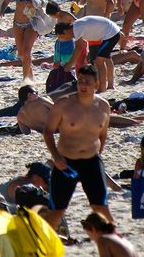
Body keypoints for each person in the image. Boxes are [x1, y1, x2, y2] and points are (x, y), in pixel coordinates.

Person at [42, 65, 112, 228]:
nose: (83, 85)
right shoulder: (63, 104)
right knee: (57, 210)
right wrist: (56, 156)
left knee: (99, 206)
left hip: (91, 161)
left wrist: (98, 154)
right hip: (66, 163)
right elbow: (48, 131)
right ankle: (40, 242)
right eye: (80, 81)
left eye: (87, 81)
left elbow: (102, 134)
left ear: (97, 83)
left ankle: (112, 236)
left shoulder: (103, 106)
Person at [0, 0, 47, 80]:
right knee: (21, 55)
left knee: (27, 51)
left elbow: (45, 1)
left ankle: (26, 80)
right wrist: (2, 11)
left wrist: (34, 3)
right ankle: (30, 76)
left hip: (33, 22)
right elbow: (6, 1)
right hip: (18, 23)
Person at [68, 16, 121, 93]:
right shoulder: (77, 24)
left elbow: (78, 48)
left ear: (67, 31)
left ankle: (102, 88)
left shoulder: (76, 28)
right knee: (106, 58)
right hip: (110, 32)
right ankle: (110, 85)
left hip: (110, 34)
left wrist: (70, 64)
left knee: (99, 60)